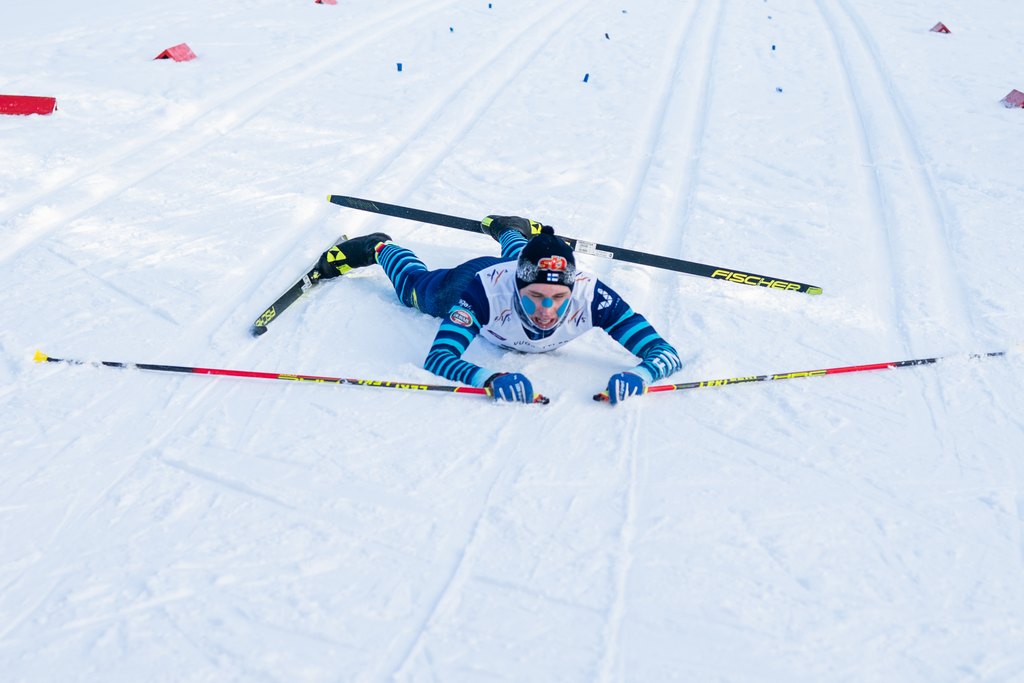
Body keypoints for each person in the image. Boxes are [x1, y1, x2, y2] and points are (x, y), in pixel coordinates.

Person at [315, 216, 682, 403]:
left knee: (521, 256)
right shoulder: (484, 292)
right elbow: (440, 356)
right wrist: (488, 379)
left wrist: (643, 375)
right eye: (535, 296)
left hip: (517, 268)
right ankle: (378, 249)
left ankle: (511, 230)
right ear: (515, 286)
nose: (547, 310)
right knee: (415, 292)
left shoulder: (591, 296)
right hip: (468, 279)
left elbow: (664, 352)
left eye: (558, 298)